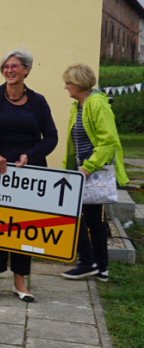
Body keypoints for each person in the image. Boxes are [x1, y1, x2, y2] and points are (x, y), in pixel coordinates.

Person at [0, 48, 58, 303]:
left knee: (24, 226)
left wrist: (30, 155)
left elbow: (51, 136)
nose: (9, 70)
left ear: (26, 70)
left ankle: (20, 281)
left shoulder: (38, 102)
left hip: (27, 175)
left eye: (14, 66)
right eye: (6, 66)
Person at [60, 63, 128, 281]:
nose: (65, 87)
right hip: (83, 172)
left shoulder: (97, 104)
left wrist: (87, 169)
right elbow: (75, 145)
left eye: (68, 83)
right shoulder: (78, 106)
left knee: (73, 214)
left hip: (91, 172)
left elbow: (108, 141)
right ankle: (102, 267)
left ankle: (87, 262)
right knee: (92, 219)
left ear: (79, 83)